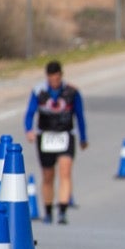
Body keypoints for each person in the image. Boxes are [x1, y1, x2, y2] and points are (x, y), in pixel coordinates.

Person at [23, 59, 86, 225]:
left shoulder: (72, 92)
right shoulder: (39, 91)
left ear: (61, 75)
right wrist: (29, 130)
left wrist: (83, 138)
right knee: (48, 175)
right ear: (47, 77)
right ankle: (48, 210)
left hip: (66, 135)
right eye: (52, 78)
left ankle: (63, 211)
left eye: (57, 77)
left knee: (65, 172)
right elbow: (30, 113)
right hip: (45, 136)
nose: (55, 81)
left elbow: (79, 115)